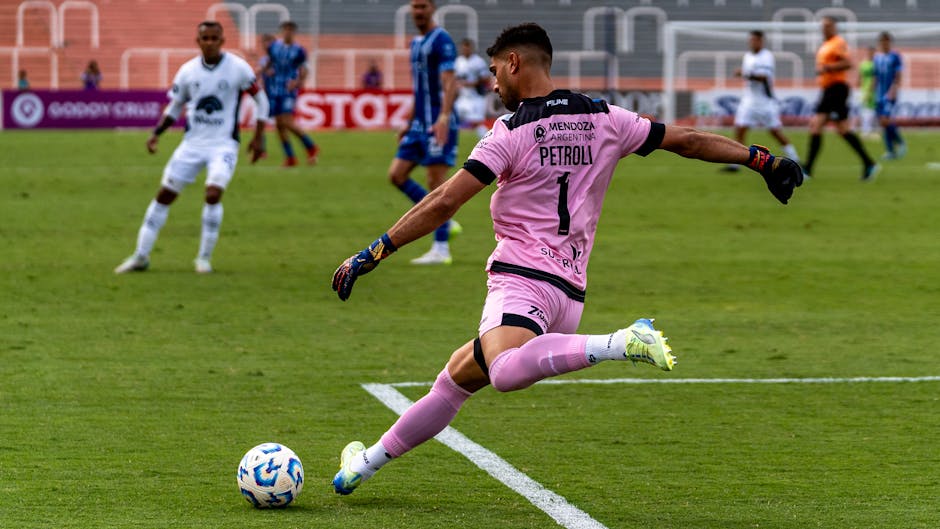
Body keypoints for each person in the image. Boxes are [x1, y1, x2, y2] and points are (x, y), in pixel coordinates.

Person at [328, 23, 802, 497]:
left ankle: (622, 341)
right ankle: (362, 464)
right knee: (454, 380)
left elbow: (443, 202)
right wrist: (761, 160)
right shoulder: (605, 117)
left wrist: (373, 252)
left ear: (515, 63)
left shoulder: (510, 132)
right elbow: (689, 140)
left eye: (495, 71)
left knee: (505, 371)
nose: (493, 83)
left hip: (522, 281)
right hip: (568, 293)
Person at [114, 21, 268, 275]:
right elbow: (175, 107)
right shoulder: (187, 72)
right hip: (192, 145)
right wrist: (157, 133)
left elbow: (261, 99)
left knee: (213, 194)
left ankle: (203, 259)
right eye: (204, 38)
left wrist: (259, 136)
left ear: (222, 41)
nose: (209, 42)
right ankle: (141, 256)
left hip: (223, 145)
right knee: (164, 196)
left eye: (214, 38)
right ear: (198, 41)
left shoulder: (238, 68)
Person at [388, 0, 461, 266]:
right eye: (414, 7)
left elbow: (450, 81)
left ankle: (441, 249)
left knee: (436, 183)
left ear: (432, 8)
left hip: (437, 124)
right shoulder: (417, 43)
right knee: (396, 175)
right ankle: (446, 221)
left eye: (423, 6)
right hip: (418, 124)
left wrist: (443, 116)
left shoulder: (441, 40)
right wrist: (408, 120)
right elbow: (419, 89)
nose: (418, 11)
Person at [802, 17, 879, 182]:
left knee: (817, 125)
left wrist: (828, 68)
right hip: (828, 90)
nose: (825, 29)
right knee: (841, 129)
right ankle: (869, 163)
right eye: (823, 26)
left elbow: (848, 63)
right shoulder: (825, 45)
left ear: (835, 27)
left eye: (828, 26)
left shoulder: (837, 43)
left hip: (836, 89)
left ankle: (807, 168)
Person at [722, 30, 798, 172]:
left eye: (756, 40)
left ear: (761, 41)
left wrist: (744, 73)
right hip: (749, 101)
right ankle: (735, 164)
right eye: (751, 40)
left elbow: (764, 77)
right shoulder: (748, 56)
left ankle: (796, 160)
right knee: (740, 130)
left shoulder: (766, 56)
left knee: (775, 132)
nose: (753, 42)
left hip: (765, 102)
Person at [266, 21, 319, 167]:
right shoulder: (274, 47)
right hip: (274, 88)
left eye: (290, 30)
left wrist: (297, 82)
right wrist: (266, 70)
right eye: (285, 29)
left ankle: (311, 146)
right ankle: (290, 157)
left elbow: (305, 69)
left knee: (287, 121)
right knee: (279, 124)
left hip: (288, 90)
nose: (287, 32)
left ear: (294, 32)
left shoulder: (299, 51)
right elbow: (270, 63)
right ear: (282, 31)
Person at [873, 31, 906, 160]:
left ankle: (900, 142)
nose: (884, 44)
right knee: (883, 123)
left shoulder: (895, 56)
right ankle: (890, 151)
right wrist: (872, 92)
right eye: (882, 42)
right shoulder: (877, 57)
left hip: (889, 93)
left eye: (886, 41)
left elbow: (898, 75)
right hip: (878, 94)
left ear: (890, 43)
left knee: (885, 120)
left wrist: (894, 89)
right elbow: (875, 76)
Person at [455, 38, 491, 139]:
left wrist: (472, 84)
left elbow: (486, 79)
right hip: (462, 98)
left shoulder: (478, 62)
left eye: (468, 47)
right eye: (463, 48)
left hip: (476, 98)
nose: (465, 50)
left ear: (471, 48)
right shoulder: (458, 62)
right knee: (453, 119)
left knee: (477, 123)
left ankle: (488, 143)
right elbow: (455, 78)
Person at [857, 46, 877, 139]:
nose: (871, 54)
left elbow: (875, 78)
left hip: (873, 90)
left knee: (871, 110)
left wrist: (871, 88)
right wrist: (859, 88)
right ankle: (866, 131)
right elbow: (860, 77)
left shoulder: (876, 64)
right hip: (864, 90)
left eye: (873, 52)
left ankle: (869, 130)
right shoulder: (863, 64)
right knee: (866, 110)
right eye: (870, 52)